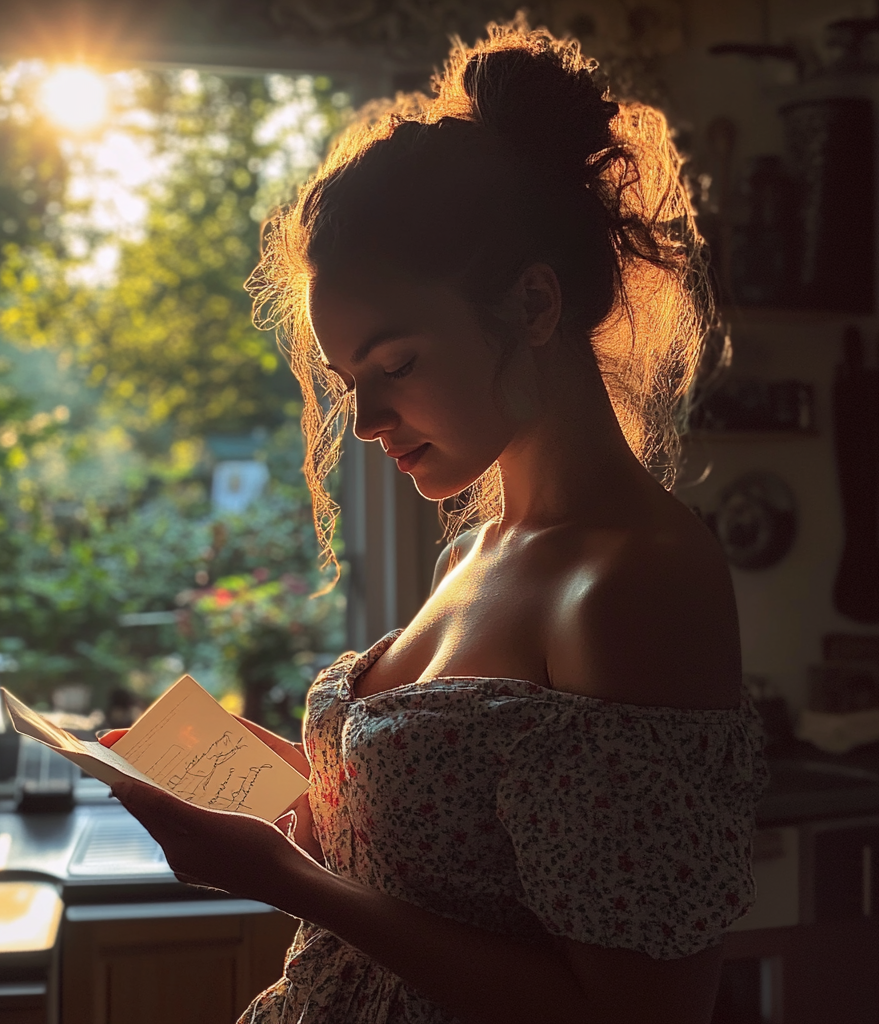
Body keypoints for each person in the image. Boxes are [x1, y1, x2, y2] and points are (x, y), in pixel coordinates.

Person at [109, 17, 770, 1024]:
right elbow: (445, 863)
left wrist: (287, 880)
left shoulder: (637, 580)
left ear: (534, 305)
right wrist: (284, 790)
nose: (367, 422)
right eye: (347, 384)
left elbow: (641, 1010)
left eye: (396, 366)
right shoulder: (476, 547)